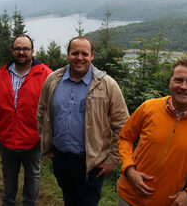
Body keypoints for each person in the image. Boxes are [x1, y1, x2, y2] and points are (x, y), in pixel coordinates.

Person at [117, 58, 187, 206]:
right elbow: (125, 138)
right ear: (170, 82)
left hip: (168, 202)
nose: (183, 86)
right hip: (128, 196)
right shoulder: (149, 108)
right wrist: (128, 169)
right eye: (178, 80)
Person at [37, 36, 129, 206]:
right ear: (68, 55)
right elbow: (42, 113)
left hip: (92, 164)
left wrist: (112, 160)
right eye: (75, 53)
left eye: (84, 54)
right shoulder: (53, 80)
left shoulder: (107, 85)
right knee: (68, 199)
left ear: (92, 56)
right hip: (61, 159)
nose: (79, 57)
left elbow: (123, 125)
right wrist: (46, 146)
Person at [0, 34, 52, 206]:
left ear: (32, 51)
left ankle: (29, 204)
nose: (21, 52)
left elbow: (54, 110)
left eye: (25, 49)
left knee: (33, 175)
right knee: (8, 175)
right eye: (18, 49)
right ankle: (8, 203)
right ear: (12, 51)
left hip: (33, 140)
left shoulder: (46, 75)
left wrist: (46, 137)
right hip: (6, 138)